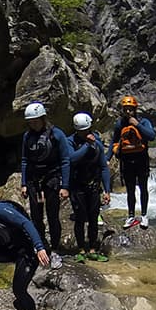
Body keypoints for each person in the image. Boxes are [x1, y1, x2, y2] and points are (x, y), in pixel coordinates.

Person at [19, 101, 71, 259]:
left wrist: (65, 186)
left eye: (35, 121)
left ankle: (55, 247)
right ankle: (40, 245)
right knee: (36, 215)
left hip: (52, 179)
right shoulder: (27, 136)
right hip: (34, 181)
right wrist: (23, 183)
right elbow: (25, 160)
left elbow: (65, 160)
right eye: (30, 122)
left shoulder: (57, 135)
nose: (33, 125)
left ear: (43, 118)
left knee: (52, 215)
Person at [67, 112, 112, 262]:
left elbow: (103, 167)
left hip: (92, 186)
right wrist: (87, 145)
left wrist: (107, 190)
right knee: (80, 218)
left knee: (93, 218)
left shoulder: (97, 143)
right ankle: (81, 249)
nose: (85, 133)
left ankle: (92, 248)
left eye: (87, 130)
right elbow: (72, 159)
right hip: (77, 186)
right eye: (82, 131)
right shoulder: (70, 142)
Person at [109, 95, 156, 229]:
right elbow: (114, 141)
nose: (128, 112)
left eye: (130, 109)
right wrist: (107, 158)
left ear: (135, 109)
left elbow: (151, 136)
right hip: (127, 161)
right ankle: (130, 216)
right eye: (126, 109)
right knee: (130, 190)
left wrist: (137, 125)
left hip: (141, 160)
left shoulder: (143, 121)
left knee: (143, 188)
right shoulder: (120, 124)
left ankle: (144, 215)